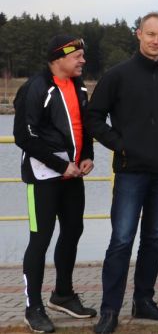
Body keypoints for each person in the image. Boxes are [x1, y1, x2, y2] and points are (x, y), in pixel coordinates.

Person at [86, 12, 158, 333]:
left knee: (153, 239)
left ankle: (143, 301)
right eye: (150, 34)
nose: (155, 41)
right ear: (139, 34)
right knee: (121, 240)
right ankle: (110, 310)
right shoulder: (118, 75)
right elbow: (93, 117)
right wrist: (121, 145)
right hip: (131, 172)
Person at [15, 35, 96, 332]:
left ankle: (62, 294)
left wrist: (87, 154)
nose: (83, 60)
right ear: (58, 58)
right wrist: (62, 165)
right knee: (40, 238)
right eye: (78, 56)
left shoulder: (79, 85)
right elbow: (24, 138)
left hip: (73, 175)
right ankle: (32, 307)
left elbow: (83, 127)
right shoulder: (34, 89)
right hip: (43, 178)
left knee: (73, 230)